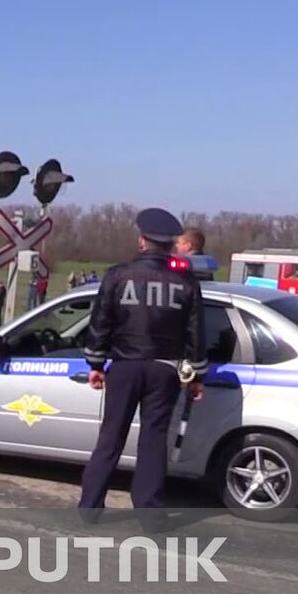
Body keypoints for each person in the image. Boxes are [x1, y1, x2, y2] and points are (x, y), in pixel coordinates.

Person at [79, 208, 206, 527]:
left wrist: (96, 362)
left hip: (124, 366)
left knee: (110, 438)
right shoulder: (186, 281)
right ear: (170, 245)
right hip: (165, 370)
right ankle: (150, 514)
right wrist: (197, 375)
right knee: (153, 442)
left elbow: (100, 323)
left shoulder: (117, 275)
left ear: (141, 242)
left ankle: (90, 508)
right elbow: (196, 333)